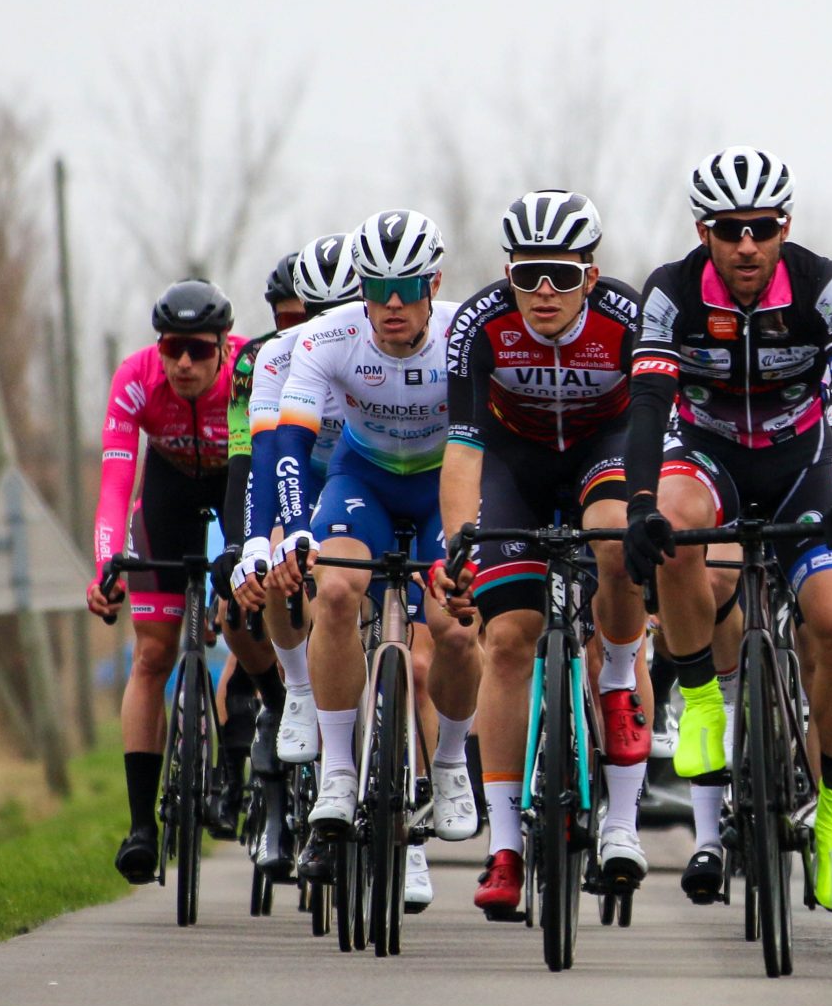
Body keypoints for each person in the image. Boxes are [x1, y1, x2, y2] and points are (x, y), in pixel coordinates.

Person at [618, 146, 832, 913]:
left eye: (762, 228)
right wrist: (639, 503)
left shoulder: (820, 283)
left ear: (784, 227)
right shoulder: (670, 290)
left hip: (801, 466)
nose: (746, 245)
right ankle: (702, 694)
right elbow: (647, 407)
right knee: (672, 526)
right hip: (709, 457)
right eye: (730, 229)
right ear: (702, 230)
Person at [437, 189, 652, 919]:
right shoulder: (480, 324)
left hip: (606, 451)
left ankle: (618, 724)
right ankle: (504, 849)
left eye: (562, 274)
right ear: (509, 275)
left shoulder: (627, 318)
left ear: (591, 274)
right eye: (529, 275)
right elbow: (463, 451)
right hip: (515, 466)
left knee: (615, 537)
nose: (545, 291)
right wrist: (458, 546)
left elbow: (656, 428)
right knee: (506, 640)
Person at [265, 210, 480, 917]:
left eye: (407, 287)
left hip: (441, 486)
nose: (391, 304)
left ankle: (450, 761)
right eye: (376, 288)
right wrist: (293, 531)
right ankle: (336, 770)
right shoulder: (328, 336)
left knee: (453, 630)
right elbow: (290, 441)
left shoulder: (464, 333)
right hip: (362, 481)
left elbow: (493, 440)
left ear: (433, 284)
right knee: (334, 592)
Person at [86, 279, 250, 883]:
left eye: (198, 350)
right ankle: (140, 828)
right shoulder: (135, 378)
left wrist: (245, 556)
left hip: (235, 487)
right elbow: (115, 484)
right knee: (152, 655)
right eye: (172, 348)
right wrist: (107, 566)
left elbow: (260, 475)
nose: (183, 363)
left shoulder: (248, 372)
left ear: (223, 346)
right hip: (168, 493)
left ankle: (236, 768)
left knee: (248, 624)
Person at [226, 233, 361, 874]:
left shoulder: (384, 348)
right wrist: (254, 545)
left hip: (367, 479)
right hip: (300, 475)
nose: (325, 326)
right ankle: (300, 689)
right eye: (315, 314)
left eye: (344, 310)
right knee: (280, 559)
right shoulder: (276, 358)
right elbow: (261, 460)